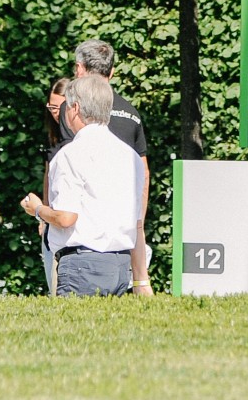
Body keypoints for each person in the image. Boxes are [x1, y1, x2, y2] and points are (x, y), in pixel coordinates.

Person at [20, 76, 142, 297]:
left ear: (74, 108)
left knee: (71, 331)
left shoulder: (70, 154)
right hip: (122, 264)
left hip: (81, 266)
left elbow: (66, 218)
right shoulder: (130, 156)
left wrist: (37, 209)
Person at [73, 40, 151, 294]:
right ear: (112, 72)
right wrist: (138, 222)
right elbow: (143, 172)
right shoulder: (132, 113)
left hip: (84, 239)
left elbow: (68, 164)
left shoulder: (75, 110)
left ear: (79, 69)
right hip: (125, 228)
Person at [38, 77, 70, 295]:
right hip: (52, 220)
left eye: (58, 108)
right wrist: (43, 215)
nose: (54, 113)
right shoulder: (54, 136)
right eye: (51, 107)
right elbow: (48, 176)